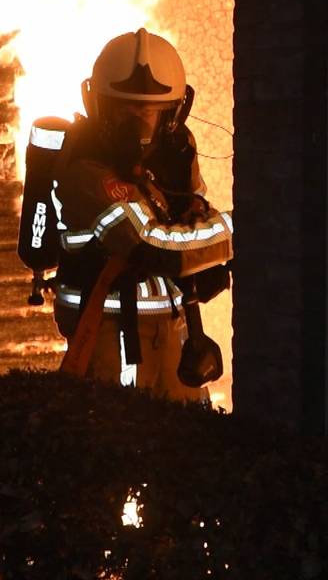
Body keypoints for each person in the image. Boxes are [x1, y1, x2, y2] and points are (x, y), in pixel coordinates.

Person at [52, 28, 233, 402]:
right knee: (126, 445)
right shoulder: (86, 170)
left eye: (148, 112)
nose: (136, 125)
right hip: (108, 329)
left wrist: (209, 245)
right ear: (99, 107)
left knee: (187, 441)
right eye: (124, 111)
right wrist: (238, 229)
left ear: (172, 113)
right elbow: (156, 247)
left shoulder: (173, 158)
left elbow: (194, 223)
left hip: (170, 326)